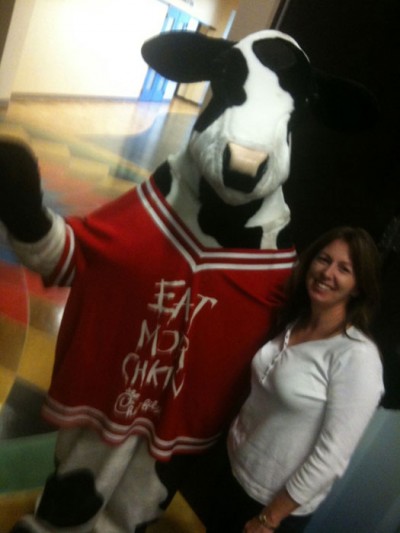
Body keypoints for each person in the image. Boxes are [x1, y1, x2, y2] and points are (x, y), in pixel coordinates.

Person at [206, 226, 384, 533]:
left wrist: (270, 518)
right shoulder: (295, 320)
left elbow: (332, 457)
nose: (327, 273)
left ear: (357, 287)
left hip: (273, 507)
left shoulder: (357, 358)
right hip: (233, 472)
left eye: (344, 269)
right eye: (323, 259)